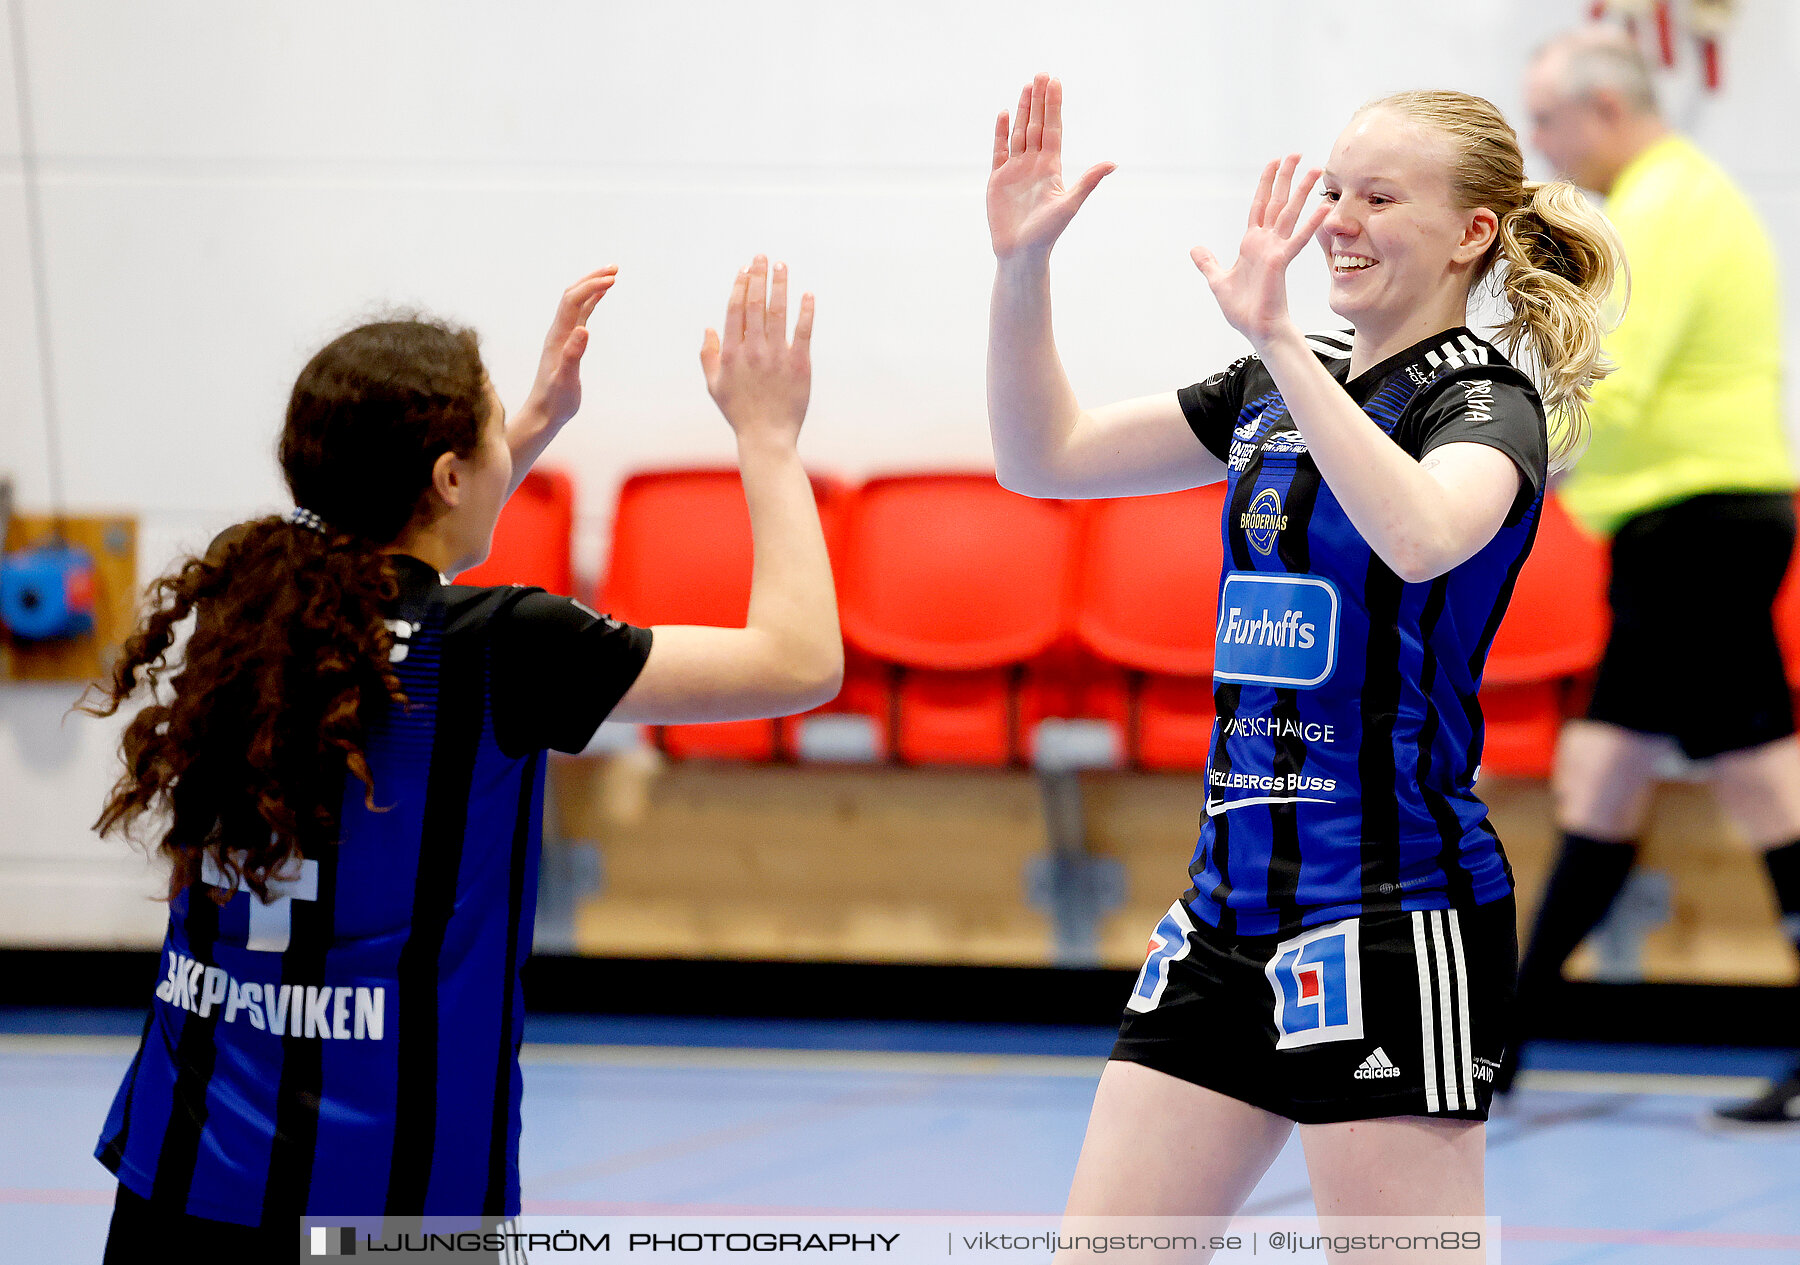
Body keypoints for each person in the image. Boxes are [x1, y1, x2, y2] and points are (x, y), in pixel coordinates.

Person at [83, 255, 840, 1260]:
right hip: (389, 1211)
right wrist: (769, 439)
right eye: (487, 438)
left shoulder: (253, 605)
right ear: (446, 477)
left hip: (180, 1179)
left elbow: (394, 560)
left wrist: (519, 427)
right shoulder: (501, 647)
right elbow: (800, 659)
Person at [986, 74, 1623, 1230]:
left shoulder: (1486, 404)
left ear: (1472, 233)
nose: (1337, 219)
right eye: (1332, 189)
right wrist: (1021, 270)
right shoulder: (1273, 386)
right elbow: (1043, 455)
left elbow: (1424, 536)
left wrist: (1278, 338)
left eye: (1379, 196)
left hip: (1394, 908)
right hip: (1228, 910)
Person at [1510, 28, 1800, 1125]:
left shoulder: (1668, 208)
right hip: (1673, 527)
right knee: (1603, 773)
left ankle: (1503, 1043)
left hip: (1701, 526)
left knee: (1760, 782)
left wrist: (1487, 444)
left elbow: (1612, 379)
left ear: (1606, 111)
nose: (1539, 139)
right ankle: (1506, 1042)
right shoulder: (1665, 199)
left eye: (1547, 118)